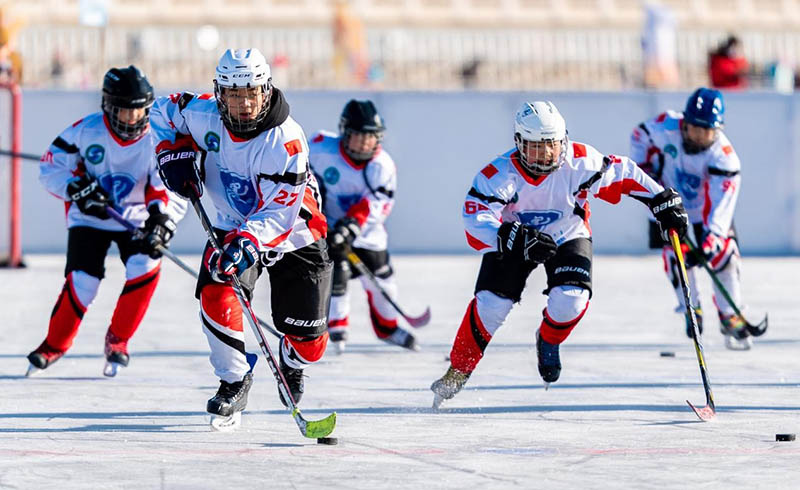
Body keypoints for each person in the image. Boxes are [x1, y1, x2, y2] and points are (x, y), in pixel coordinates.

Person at [430, 101, 688, 408]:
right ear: (518, 144)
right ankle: (458, 369)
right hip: (514, 239)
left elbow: (624, 172)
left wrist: (659, 200)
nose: (546, 155)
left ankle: (548, 340)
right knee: (491, 305)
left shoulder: (580, 161)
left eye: (551, 145)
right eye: (535, 148)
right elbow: (474, 216)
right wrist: (507, 235)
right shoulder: (498, 174)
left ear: (563, 140)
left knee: (572, 299)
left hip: (567, 232)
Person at [150, 48, 331, 426]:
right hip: (232, 223)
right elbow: (161, 112)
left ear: (266, 90)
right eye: (234, 94)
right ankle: (233, 380)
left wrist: (248, 243)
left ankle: (293, 360)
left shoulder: (286, 140)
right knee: (217, 293)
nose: (244, 103)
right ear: (220, 93)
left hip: (294, 232)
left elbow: (278, 213)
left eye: (251, 92)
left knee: (310, 342)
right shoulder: (200, 114)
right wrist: (171, 150)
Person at [29, 66, 183, 377]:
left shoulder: (157, 137)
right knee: (83, 283)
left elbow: (165, 185)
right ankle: (54, 344)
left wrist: (161, 220)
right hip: (91, 218)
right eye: (125, 112)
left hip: (137, 218)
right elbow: (50, 168)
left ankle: (118, 341)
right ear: (108, 107)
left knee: (147, 267)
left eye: (139, 111)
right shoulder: (84, 132)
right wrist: (75, 188)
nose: (133, 119)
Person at [630, 88, 749, 349]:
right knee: (677, 258)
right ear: (685, 123)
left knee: (726, 258)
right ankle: (691, 308)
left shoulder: (725, 158)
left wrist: (713, 238)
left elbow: (721, 204)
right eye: (695, 128)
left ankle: (730, 314)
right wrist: (645, 172)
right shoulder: (664, 127)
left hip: (704, 214)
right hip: (671, 207)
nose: (700, 137)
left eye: (708, 131)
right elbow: (639, 135)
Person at [309, 99, 418, 354]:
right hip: (326, 229)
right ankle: (334, 329)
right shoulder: (320, 149)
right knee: (336, 271)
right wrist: (319, 219)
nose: (365, 143)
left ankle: (387, 328)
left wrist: (351, 227)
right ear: (345, 132)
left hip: (367, 235)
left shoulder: (383, 165)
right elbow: (303, 182)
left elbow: (378, 204)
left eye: (371, 137)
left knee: (383, 281)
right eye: (359, 136)